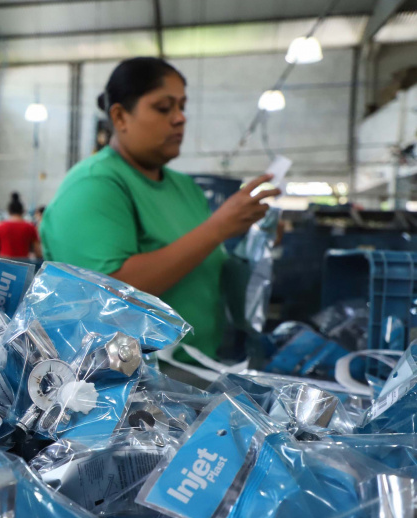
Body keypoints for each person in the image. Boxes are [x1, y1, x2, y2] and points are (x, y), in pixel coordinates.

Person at [40, 57, 278, 358]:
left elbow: (201, 265)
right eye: (164, 108)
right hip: (132, 388)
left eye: (182, 106)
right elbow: (106, 296)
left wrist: (254, 238)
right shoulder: (94, 185)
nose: (180, 118)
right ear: (120, 117)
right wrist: (217, 228)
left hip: (200, 369)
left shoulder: (186, 188)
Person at [0, 193, 41, 259]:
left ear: (9, 211)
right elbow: (38, 252)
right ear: (22, 211)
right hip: (24, 265)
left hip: (4, 265)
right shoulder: (30, 227)